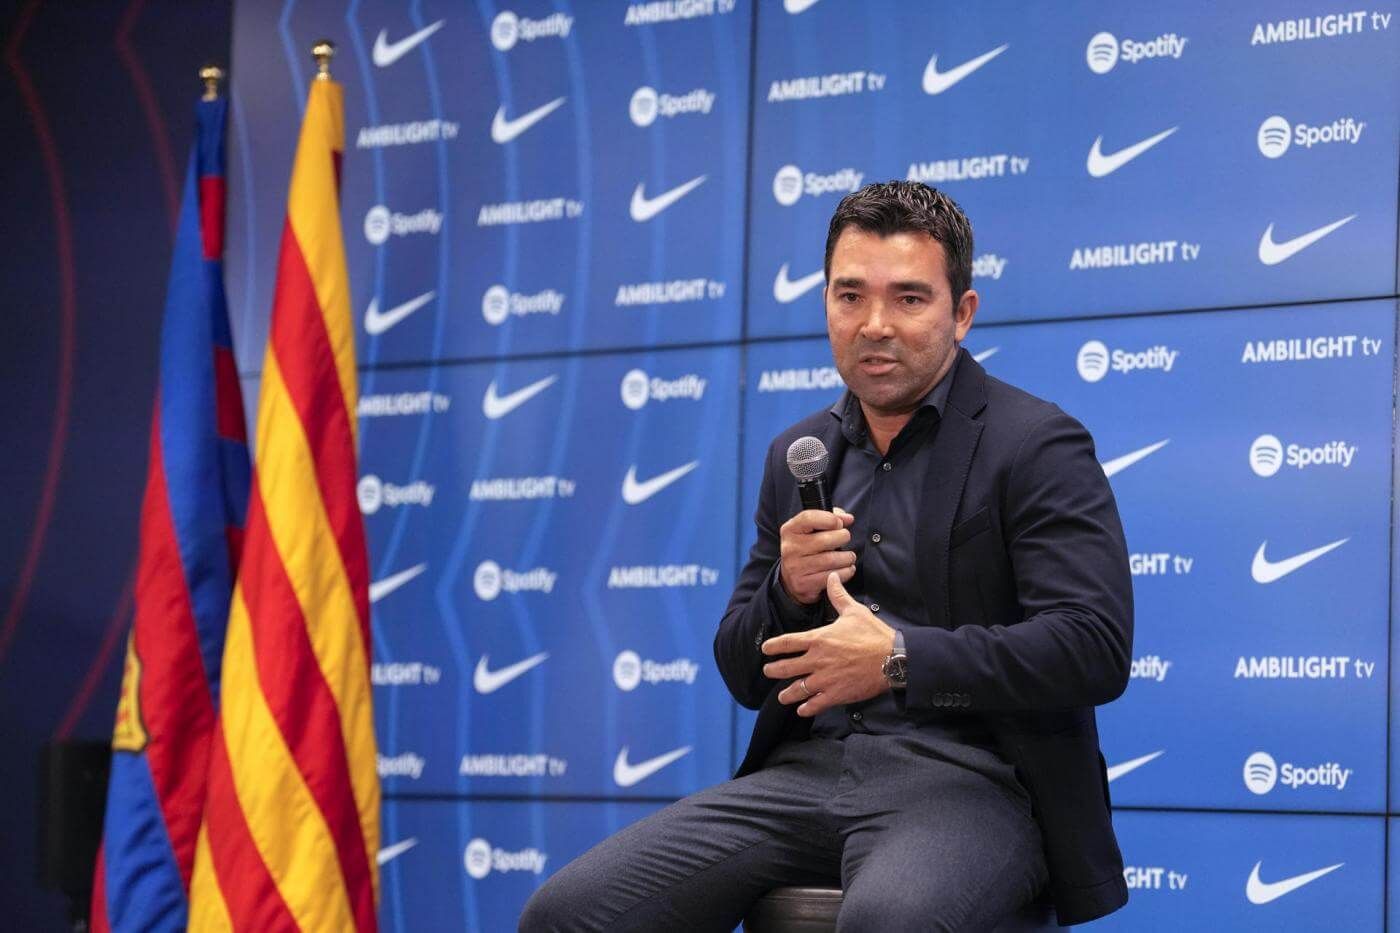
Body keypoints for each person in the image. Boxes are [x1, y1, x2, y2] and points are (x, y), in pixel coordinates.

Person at [520, 181, 1133, 931]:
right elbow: (743, 671)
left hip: (974, 779)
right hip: (805, 776)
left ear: (961, 313)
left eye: (909, 298)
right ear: (826, 305)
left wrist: (899, 658)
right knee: (568, 913)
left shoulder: (1034, 443)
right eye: (851, 296)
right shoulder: (799, 455)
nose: (875, 324)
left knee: (889, 922)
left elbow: (1092, 647)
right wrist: (788, 588)